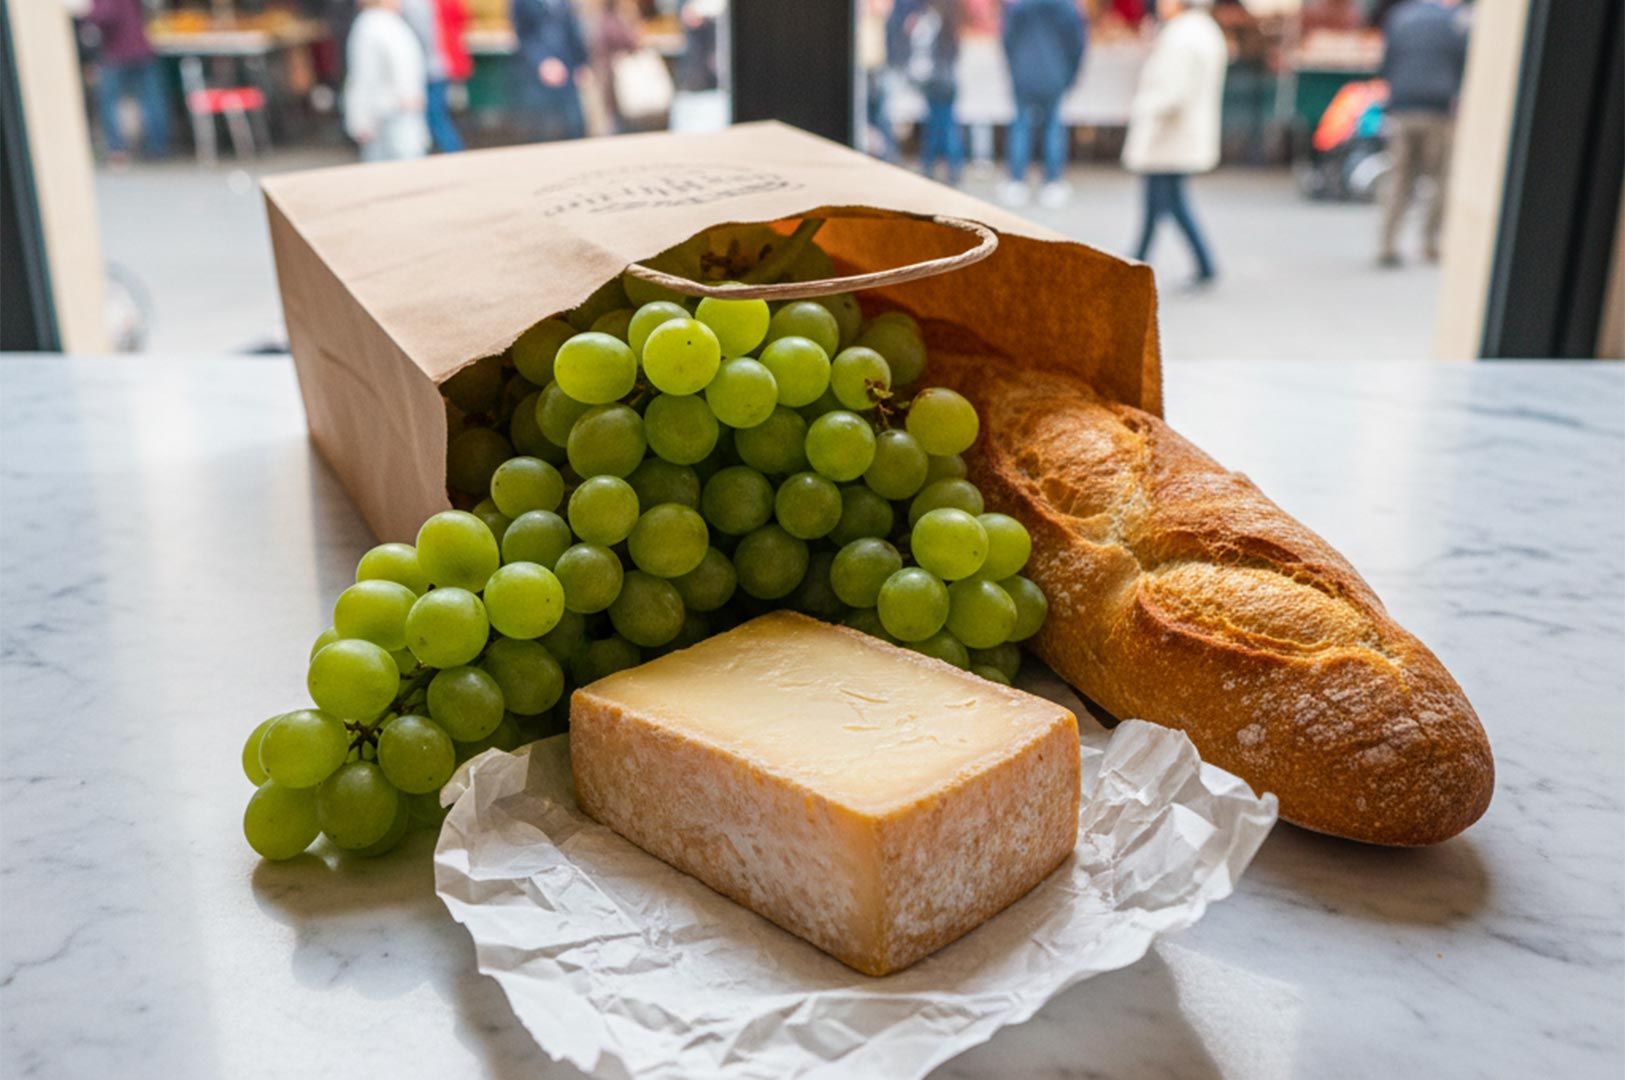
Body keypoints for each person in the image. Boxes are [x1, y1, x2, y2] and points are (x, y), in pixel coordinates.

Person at [1122, 0, 1227, 288]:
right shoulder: (1200, 30)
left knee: (1165, 202)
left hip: (1169, 135)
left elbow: (1171, 92)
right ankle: (1142, 259)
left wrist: (1144, 110)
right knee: (1164, 202)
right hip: (1179, 135)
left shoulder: (1183, 36)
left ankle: (1144, 261)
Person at [1376, 0, 1468, 266]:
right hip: (1437, 109)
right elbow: (1462, 63)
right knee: (1439, 177)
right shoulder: (1453, 21)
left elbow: (1386, 60)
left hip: (1402, 106)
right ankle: (1429, 242)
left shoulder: (1400, 17)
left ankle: (1387, 243)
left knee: (1399, 176)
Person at [1000, 0, 1087, 208]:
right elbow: (1077, 44)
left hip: (1024, 74)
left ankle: (1016, 181)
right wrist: (1069, 75)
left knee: (1022, 126)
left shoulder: (1020, 6)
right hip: (1054, 75)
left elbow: (1007, 39)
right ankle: (1052, 182)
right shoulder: (1066, 7)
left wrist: (1015, 69)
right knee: (1052, 128)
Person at [84, 0, 171, 162]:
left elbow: (105, 16)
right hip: (141, 49)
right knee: (152, 100)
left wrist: (85, 16)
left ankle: (117, 149)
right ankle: (158, 147)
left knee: (109, 103)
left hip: (116, 54)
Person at [344, 0, 431, 162]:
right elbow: (363, 76)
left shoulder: (388, 22)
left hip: (400, 110)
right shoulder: (370, 25)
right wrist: (360, 119)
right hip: (385, 114)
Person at [904, 0, 964, 185]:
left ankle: (931, 165)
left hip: (936, 82)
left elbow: (921, 51)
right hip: (947, 82)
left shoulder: (931, 23)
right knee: (946, 125)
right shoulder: (950, 23)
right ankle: (951, 167)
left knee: (936, 125)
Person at [512, 0, 590, 141]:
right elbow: (523, 36)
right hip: (537, 76)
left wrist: (581, 62)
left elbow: (572, 29)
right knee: (544, 131)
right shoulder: (522, 2)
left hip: (568, 69)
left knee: (576, 125)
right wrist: (542, 62)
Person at [401, 0, 464, 152]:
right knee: (435, 118)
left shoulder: (414, 4)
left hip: (429, 70)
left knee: (435, 119)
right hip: (433, 66)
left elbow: (425, 39)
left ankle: (456, 155)